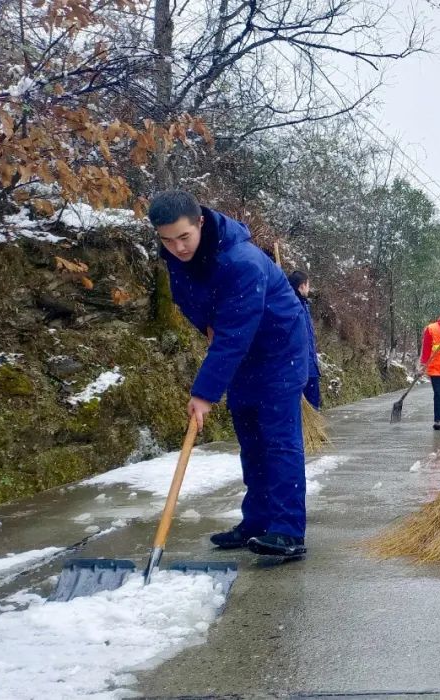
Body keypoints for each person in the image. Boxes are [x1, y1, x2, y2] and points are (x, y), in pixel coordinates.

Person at [150, 190, 308, 557]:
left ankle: (288, 531)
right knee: (251, 441)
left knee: (278, 441)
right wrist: (206, 323)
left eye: (184, 237)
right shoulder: (178, 257)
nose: (177, 247)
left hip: (278, 350)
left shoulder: (242, 261)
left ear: (200, 222)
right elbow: (193, 303)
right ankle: (256, 522)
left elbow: (235, 332)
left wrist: (204, 393)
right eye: (168, 240)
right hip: (242, 355)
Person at [287, 270, 321, 410]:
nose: (309, 288)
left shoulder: (304, 305)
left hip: (309, 365)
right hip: (300, 367)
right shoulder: (293, 306)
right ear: (301, 286)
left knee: (313, 404)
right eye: (308, 285)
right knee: (306, 406)